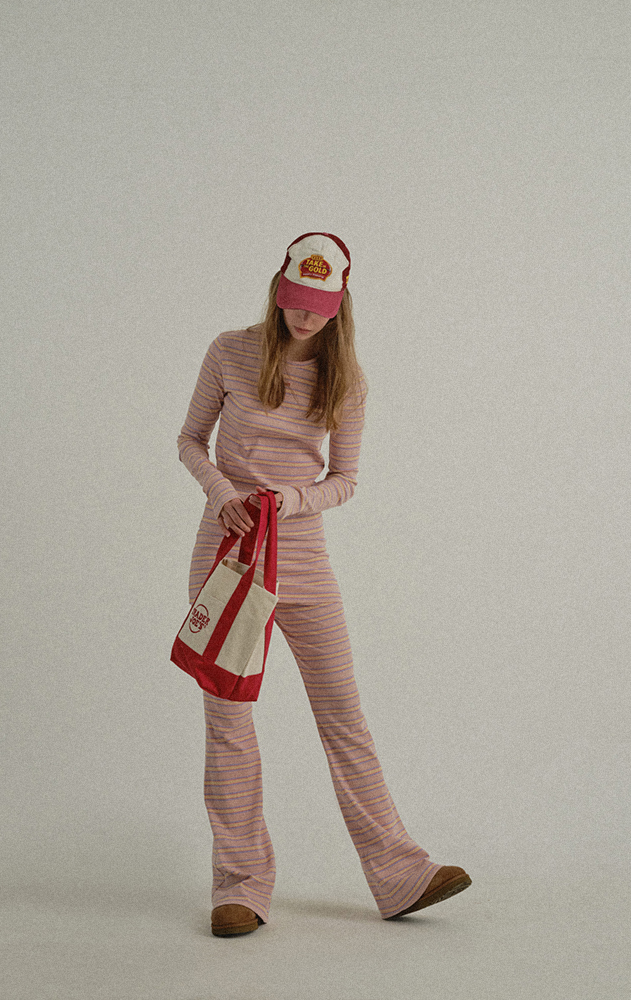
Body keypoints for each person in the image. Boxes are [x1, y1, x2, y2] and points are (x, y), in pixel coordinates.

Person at [176, 232, 471, 937]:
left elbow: (345, 480)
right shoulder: (230, 351)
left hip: (301, 553)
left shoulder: (348, 381)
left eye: (319, 304)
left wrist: (294, 501)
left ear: (339, 305)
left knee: (343, 713)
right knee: (229, 720)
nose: (305, 315)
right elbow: (189, 440)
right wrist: (224, 494)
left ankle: (399, 873)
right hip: (228, 553)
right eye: (295, 300)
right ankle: (240, 886)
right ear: (278, 290)